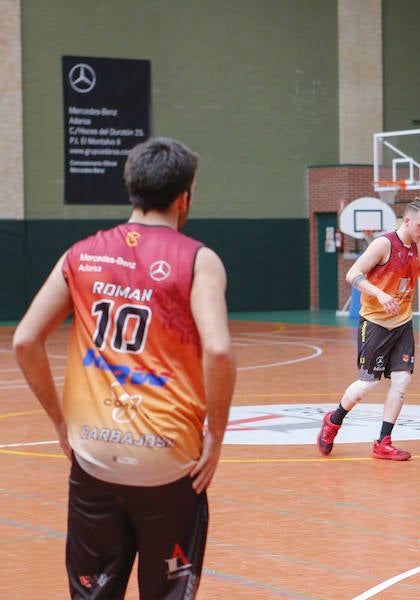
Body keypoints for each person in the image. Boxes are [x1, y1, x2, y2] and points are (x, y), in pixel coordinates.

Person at [12, 137, 236, 598]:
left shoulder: (81, 254)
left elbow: (25, 339)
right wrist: (215, 434)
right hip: (168, 460)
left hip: (93, 455)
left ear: (131, 187)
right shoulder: (198, 260)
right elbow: (218, 352)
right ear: (184, 196)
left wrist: (59, 422)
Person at [317, 201, 420, 460]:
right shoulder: (383, 244)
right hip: (375, 323)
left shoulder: (415, 245)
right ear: (406, 221)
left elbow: (417, 272)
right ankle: (333, 421)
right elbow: (352, 274)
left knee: (402, 381)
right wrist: (379, 294)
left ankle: (383, 441)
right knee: (367, 384)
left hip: (401, 323)